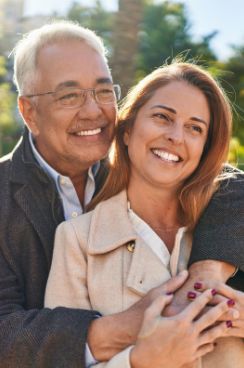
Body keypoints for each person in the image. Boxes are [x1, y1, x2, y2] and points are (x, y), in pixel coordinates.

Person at [0, 19, 241, 368]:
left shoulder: (147, 164)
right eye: (69, 95)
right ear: (29, 112)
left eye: (102, 91)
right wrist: (133, 330)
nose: (93, 111)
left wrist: (205, 278)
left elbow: (227, 179)